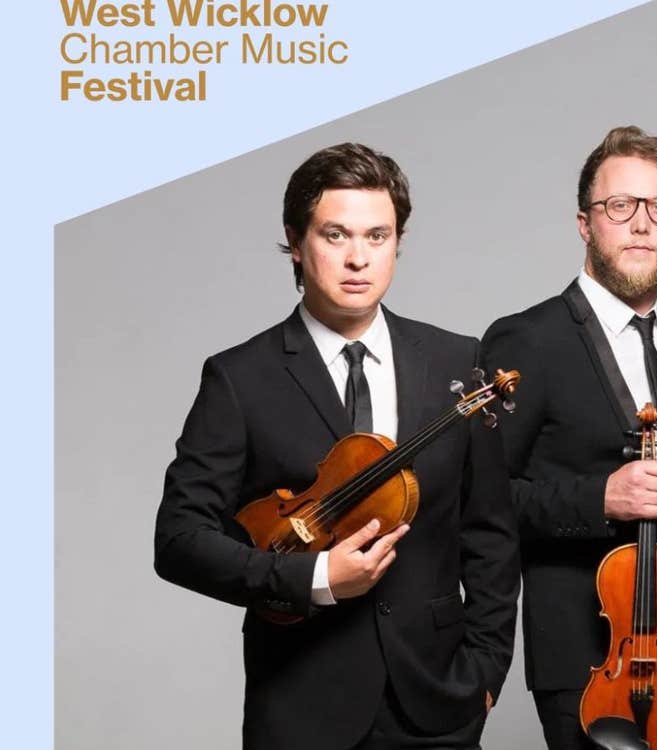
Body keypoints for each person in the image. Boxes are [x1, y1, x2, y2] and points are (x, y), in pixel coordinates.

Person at [154, 143, 520, 750]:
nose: (358, 258)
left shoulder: (458, 361)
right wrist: (315, 575)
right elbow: (179, 540)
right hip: (301, 701)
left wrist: (484, 672)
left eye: (378, 236)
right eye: (335, 235)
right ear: (296, 243)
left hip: (438, 701)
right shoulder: (240, 378)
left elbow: (490, 533)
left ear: (398, 243)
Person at [481, 125, 657, 750]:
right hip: (586, 654)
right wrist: (598, 499)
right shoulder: (527, 340)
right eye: (619, 206)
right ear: (584, 222)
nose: (641, 225)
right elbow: (484, 503)